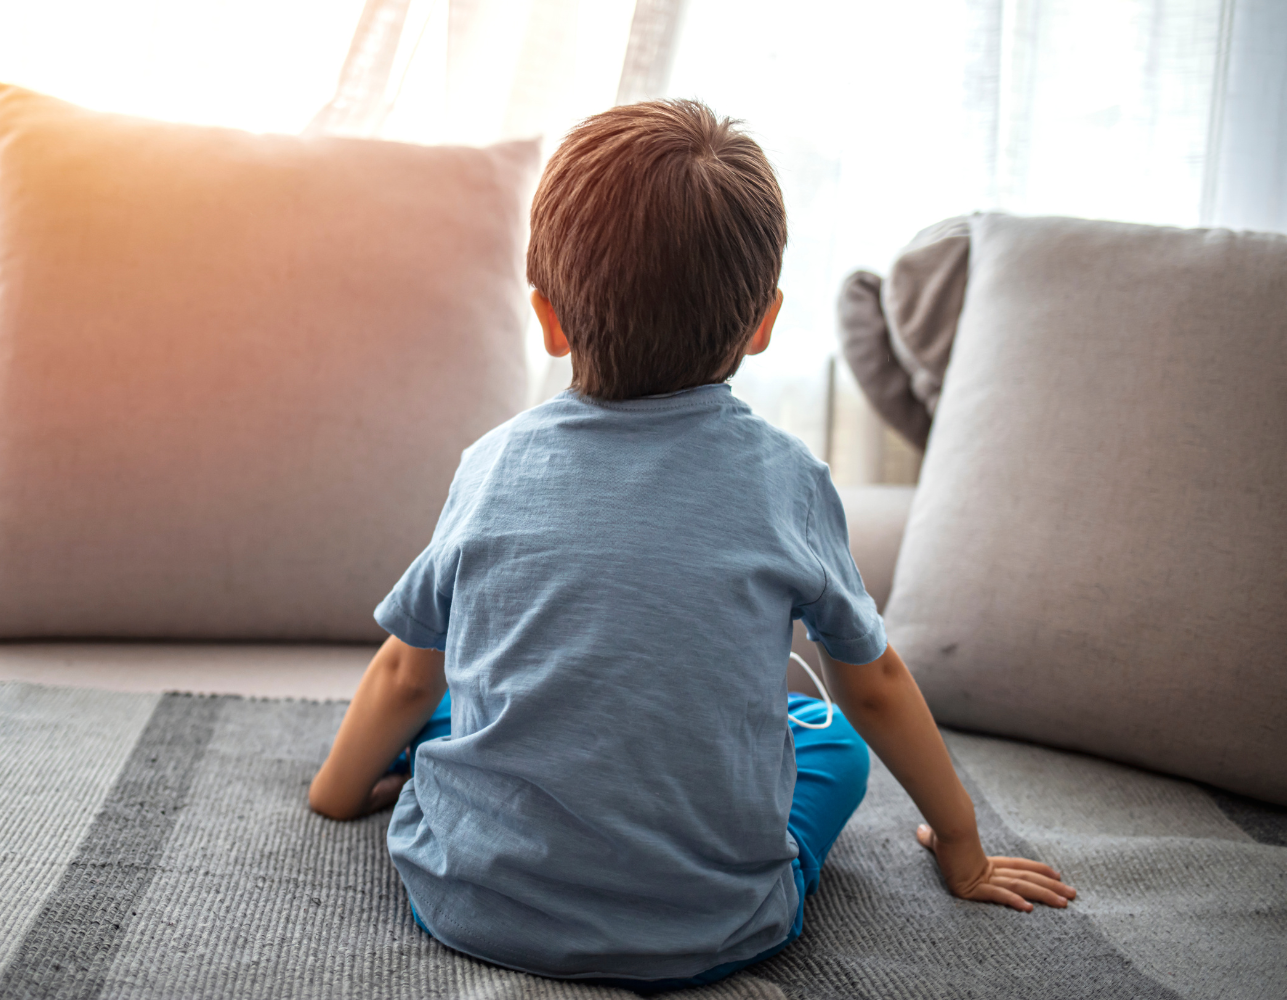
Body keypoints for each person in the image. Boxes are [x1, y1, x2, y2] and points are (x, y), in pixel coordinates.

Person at [307, 99, 1074, 992]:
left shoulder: (493, 465)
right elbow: (874, 685)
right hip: (713, 932)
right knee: (828, 741)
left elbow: (408, 671)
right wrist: (965, 846)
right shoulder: (788, 480)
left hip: (470, 901)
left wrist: (333, 795)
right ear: (764, 322)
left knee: (457, 711)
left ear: (549, 319)